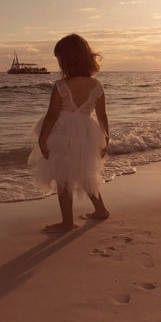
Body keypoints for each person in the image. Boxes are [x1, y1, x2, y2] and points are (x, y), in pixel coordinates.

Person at [28, 34, 110, 233]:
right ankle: (100, 209)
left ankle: (67, 222)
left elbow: (51, 116)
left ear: (67, 60)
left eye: (59, 59)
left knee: (63, 178)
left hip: (62, 136)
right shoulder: (96, 86)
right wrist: (105, 140)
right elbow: (102, 117)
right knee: (85, 173)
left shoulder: (61, 86)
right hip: (87, 135)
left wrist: (42, 139)